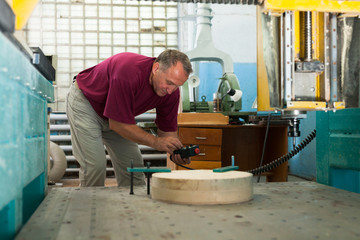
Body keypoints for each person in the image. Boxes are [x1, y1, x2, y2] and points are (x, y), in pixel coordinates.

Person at [66, 49, 193, 187]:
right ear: (156, 68)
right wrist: (156, 142)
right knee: (95, 167)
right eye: (169, 82)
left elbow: (167, 133)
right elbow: (117, 124)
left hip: (118, 115)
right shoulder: (128, 71)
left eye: (177, 86)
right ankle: (88, 207)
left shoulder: (171, 94)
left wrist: (176, 151)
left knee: (133, 167)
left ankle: (133, 208)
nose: (171, 90)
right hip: (87, 104)